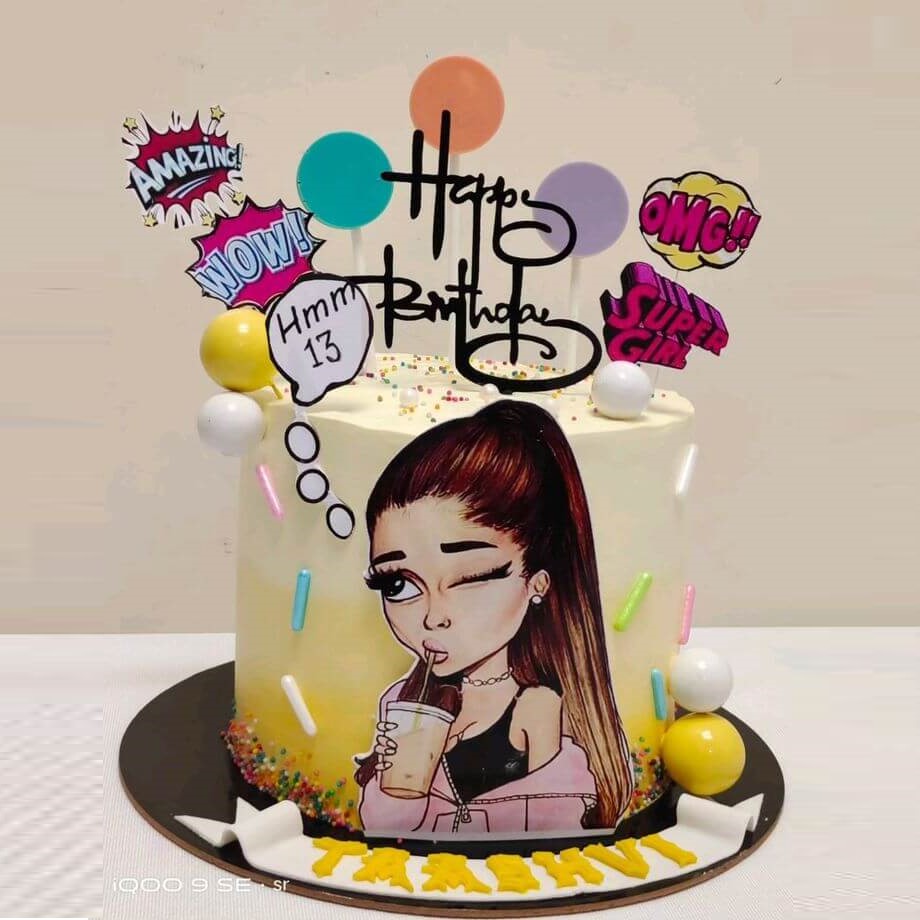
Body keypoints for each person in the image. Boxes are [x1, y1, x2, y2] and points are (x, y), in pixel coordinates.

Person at [355, 399, 633, 834]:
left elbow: (555, 825)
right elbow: (382, 829)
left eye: (470, 578)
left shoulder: (538, 707)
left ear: (537, 582)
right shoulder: (402, 702)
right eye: (399, 584)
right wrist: (396, 786)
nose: (433, 617)